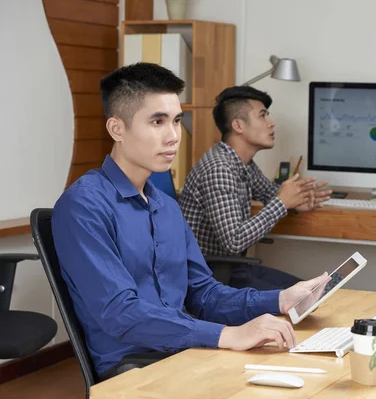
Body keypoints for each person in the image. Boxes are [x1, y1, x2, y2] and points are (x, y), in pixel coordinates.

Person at [51, 62, 330, 380]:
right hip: (131, 367)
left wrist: (280, 299)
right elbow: (121, 314)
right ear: (117, 129)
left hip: (185, 351)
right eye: (157, 122)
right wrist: (228, 335)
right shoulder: (83, 206)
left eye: (176, 121)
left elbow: (203, 295)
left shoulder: (166, 207)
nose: (173, 136)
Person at [178, 86, 331, 290]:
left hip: (231, 269)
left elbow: (271, 194)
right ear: (239, 125)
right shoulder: (219, 169)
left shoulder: (242, 163)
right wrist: (283, 202)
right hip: (210, 277)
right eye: (263, 115)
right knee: (309, 295)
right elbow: (234, 241)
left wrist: (297, 201)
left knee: (316, 290)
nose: (271, 122)